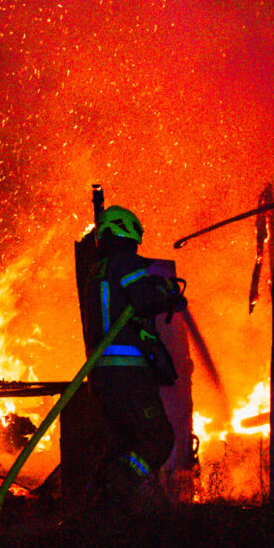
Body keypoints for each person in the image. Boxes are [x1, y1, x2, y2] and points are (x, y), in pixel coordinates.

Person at [80, 204, 187, 507]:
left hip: (102, 375)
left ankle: (99, 508)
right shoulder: (125, 263)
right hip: (128, 372)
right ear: (126, 232)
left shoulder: (97, 270)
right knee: (158, 439)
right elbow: (142, 299)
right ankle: (116, 488)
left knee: (121, 444)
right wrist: (167, 295)